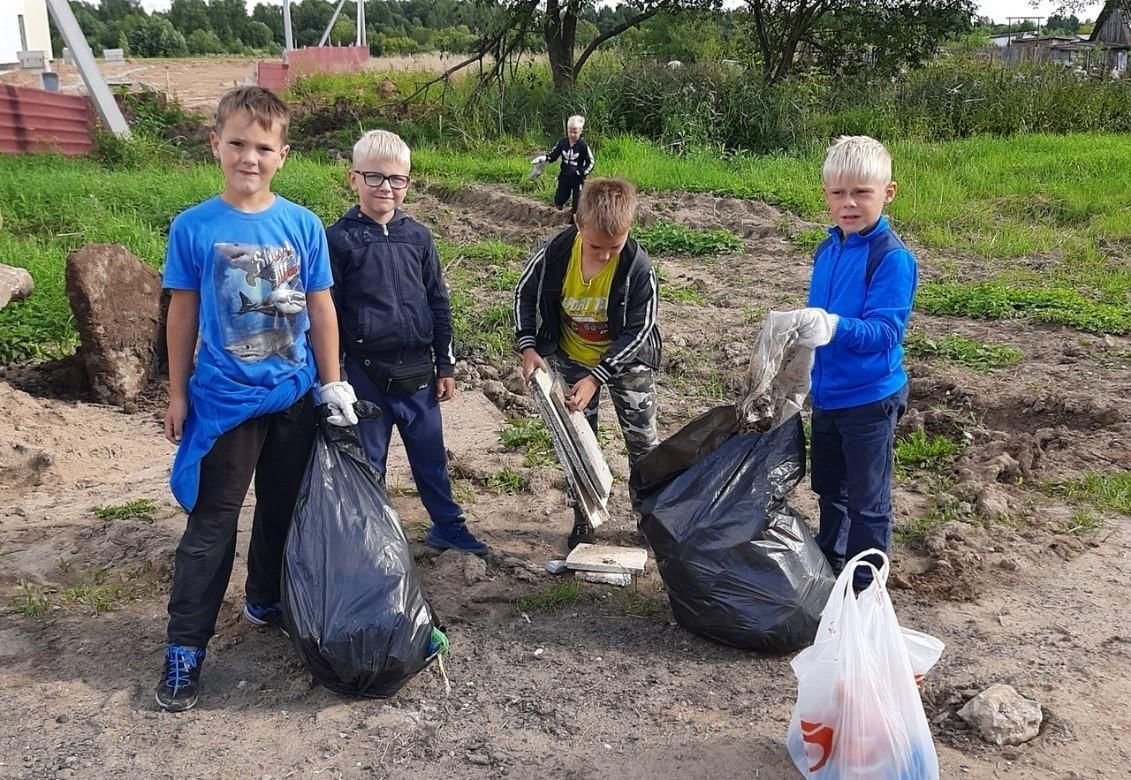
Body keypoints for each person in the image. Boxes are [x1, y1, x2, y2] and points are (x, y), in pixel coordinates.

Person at [157, 86, 358, 712]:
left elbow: (321, 308)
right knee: (213, 524)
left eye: (263, 147)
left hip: (294, 397)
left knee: (282, 508)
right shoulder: (193, 227)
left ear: (283, 154)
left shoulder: (301, 225)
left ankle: (265, 600)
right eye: (238, 143)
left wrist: (332, 383)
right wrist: (177, 392)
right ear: (215, 144)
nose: (250, 157)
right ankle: (185, 647)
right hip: (224, 401)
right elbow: (182, 311)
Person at [326, 129, 487, 556]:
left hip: (418, 370)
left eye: (396, 180)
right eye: (374, 177)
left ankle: (448, 527)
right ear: (353, 179)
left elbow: (438, 300)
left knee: (430, 455)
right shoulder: (338, 239)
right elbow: (329, 310)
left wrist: (446, 364)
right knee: (369, 461)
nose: (385, 188)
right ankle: (371, 540)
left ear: (407, 184)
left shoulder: (418, 237)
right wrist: (335, 374)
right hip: (365, 372)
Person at [783, 135, 919, 590]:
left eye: (862, 192)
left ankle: (865, 587)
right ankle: (831, 560)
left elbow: (886, 333)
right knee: (828, 485)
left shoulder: (891, 258)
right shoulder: (828, 248)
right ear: (826, 195)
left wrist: (834, 326)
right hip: (828, 393)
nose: (849, 203)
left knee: (867, 499)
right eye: (839, 193)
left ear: (888, 192)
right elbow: (819, 319)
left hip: (869, 398)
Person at [513, 177, 661, 549]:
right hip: (573, 358)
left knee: (643, 443)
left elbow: (640, 328)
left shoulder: (637, 267)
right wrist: (528, 347)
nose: (606, 255)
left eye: (616, 246)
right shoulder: (555, 254)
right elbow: (523, 294)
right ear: (578, 225)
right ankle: (585, 517)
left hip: (628, 362)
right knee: (580, 441)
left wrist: (598, 377)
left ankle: (650, 519)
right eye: (596, 246)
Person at [531, 115, 595, 219]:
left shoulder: (583, 146)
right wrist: (545, 158)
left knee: (577, 203)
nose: (572, 134)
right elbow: (554, 155)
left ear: (581, 131)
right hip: (564, 176)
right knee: (559, 198)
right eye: (570, 131)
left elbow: (591, 162)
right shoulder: (562, 142)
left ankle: (575, 222)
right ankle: (557, 217)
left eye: (575, 132)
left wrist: (582, 172)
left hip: (577, 179)